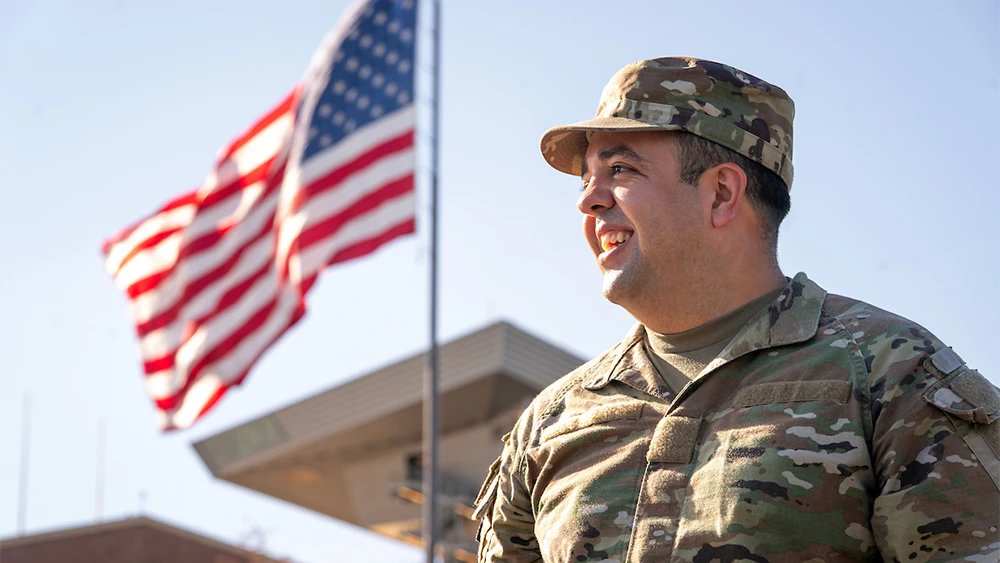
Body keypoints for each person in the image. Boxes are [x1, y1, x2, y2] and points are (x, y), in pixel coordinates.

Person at [473, 57, 1000, 563]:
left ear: (722, 193)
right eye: (587, 177)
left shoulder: (891, 371)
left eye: (620, 168)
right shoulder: (550, 423)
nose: (588, 200)